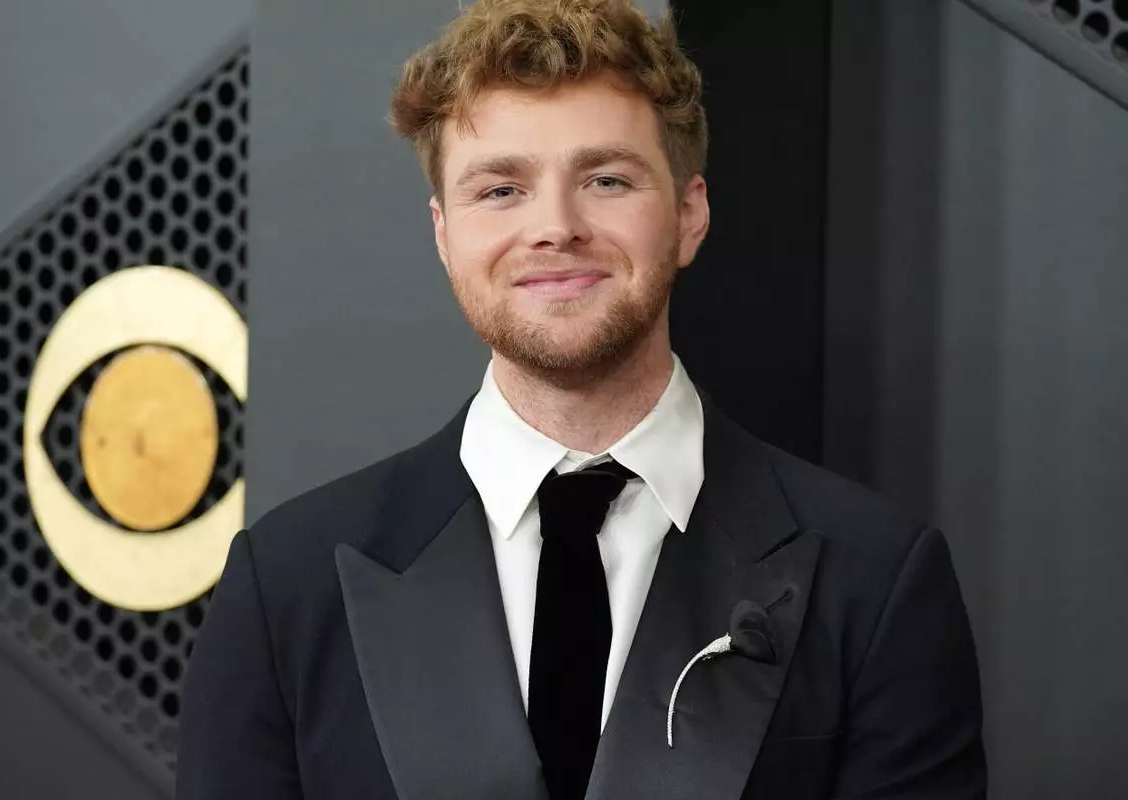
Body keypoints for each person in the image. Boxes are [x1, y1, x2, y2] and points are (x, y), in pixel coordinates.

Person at [177, 0, 987, 797]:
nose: (555, 227)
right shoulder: (285, 585)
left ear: (690, 214)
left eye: (606, 179)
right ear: (444, 234)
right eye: (501, 190)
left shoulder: (876, 580)